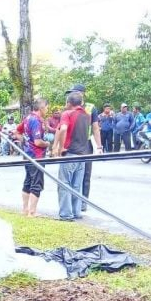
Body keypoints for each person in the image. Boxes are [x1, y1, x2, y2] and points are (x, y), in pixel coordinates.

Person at [51, 90, 90, 221]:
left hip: (71, 153)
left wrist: (61, 147)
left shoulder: (67, 113)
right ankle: (76, 211)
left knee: (64, 184)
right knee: (76, 185)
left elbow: (62, 129)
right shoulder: (86, 115)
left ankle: (66, 214)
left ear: (69, 103)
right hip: (83, 155)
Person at [66, 84, 102, 213]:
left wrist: (99, 146)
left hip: (86, 144)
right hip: (71, 144)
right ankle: (71, 202)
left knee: (86, 174)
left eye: (73, 92)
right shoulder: (69, 106)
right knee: (70, 174)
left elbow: (95, 127)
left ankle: (83, 201)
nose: (70, 95)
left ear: (81, 94)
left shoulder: (91, 108)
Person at [20, 98, 49, 217]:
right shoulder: (36, 121)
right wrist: (47, 143)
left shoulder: (27, 118)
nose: (47, 110)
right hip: (36, 156)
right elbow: (37, 142)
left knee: (28, 182)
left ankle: (25, 209)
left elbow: (18, 131)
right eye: (47, 107)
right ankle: (32, 212)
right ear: (42, 108)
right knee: (36, 183)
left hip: (27, 154)